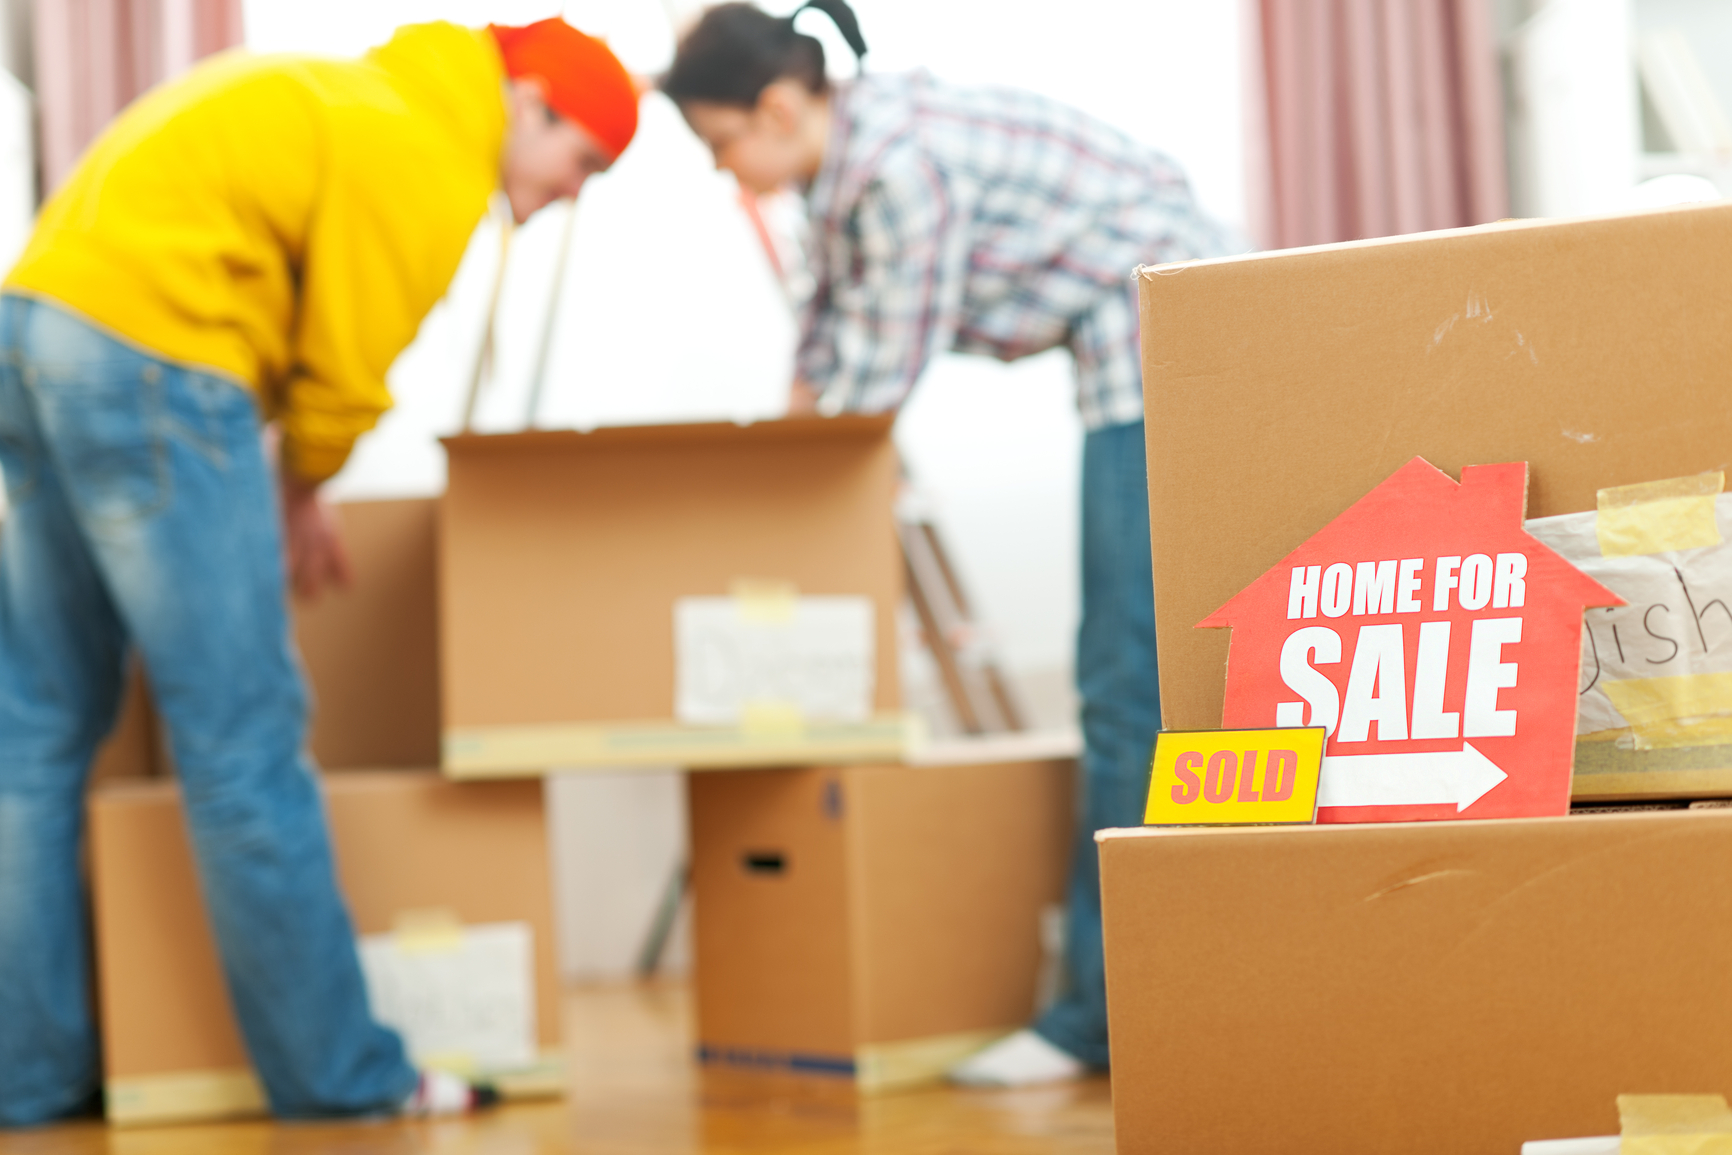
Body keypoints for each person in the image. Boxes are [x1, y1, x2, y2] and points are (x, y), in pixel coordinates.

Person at [0, 18, 638, 1126]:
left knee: (35, 732)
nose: (576, 192)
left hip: (34, 332)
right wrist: (309, 479)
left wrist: (291, 486)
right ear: (528, 102)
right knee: (243, 742)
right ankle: (347, 1081)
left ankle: (29, 1079)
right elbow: (345, 372)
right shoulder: (428, 154)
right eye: (583, 160)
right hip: (154, 356)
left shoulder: (344, 96)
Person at [663, 0, 1234, 1087]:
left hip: (1168, 327)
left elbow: (876, 391)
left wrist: (798, 518)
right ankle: (1117, 1009)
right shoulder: (839, 178)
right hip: (1113, 337)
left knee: (1122, 677)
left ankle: (1101, 1023)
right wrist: (782, 454)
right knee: (1123, 675)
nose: (721, 168)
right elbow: (823, 341)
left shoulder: (896, 169)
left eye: (720, 141)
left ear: (778, 106)